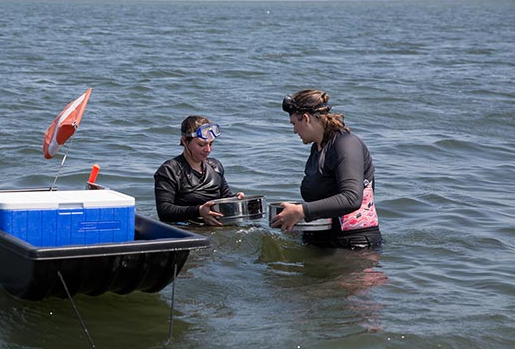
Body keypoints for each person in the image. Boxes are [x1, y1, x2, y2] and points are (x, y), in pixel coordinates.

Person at [270, 89, 382, 249]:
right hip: (321, 242)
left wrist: (301, 211)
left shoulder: (346, 144)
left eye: (294, 123)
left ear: (306, 118)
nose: (294, 130)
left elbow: (351, 198)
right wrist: (298, 220)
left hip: (354, 247)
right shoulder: (317, 149)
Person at [154, 115, 244, 226]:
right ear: (185, 141)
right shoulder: (169, 170)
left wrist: (236, 199)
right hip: (187, 229)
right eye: (201, 144)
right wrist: (199, 211)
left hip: (215, 227)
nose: (208, 149)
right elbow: (164, 212)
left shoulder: (215, 166)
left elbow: (225, 197)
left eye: (211, 144)